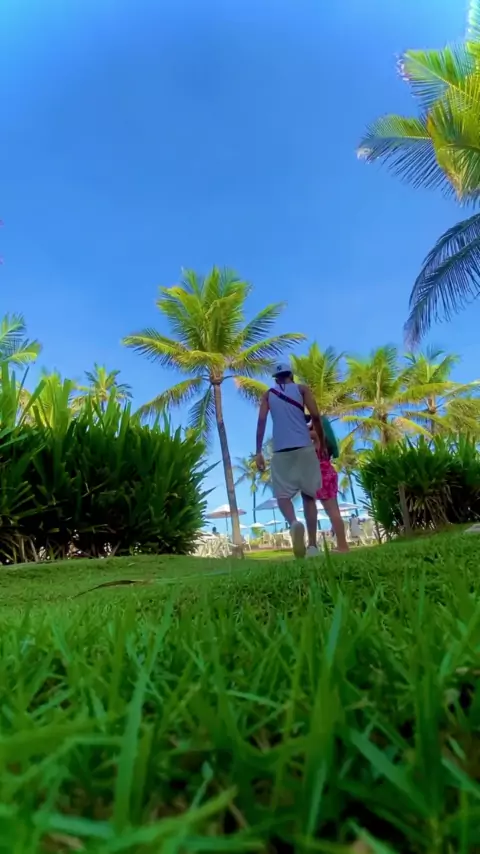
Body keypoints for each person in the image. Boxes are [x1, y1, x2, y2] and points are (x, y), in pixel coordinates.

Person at [255, 360, 325, 559]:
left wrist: (258, 451)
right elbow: (316, 416)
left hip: (281, 450)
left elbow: (261, 421)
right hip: (304, 447)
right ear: (291, 375)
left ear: (275, 379)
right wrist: (321, 441)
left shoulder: (268, 395)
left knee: (283, 496)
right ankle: (312, 546)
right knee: (309, 496)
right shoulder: (302, 390)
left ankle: (294, 522)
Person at [307, 418, 349, 553]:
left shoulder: (317, 436)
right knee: (334, 511)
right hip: (328, 472)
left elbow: (301, 434)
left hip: (321, 474)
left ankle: (343, 546)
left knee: (332, 512)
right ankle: (342, 544)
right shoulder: (324, 441)